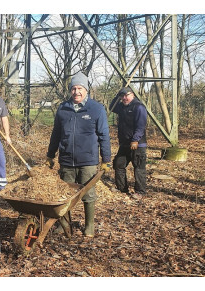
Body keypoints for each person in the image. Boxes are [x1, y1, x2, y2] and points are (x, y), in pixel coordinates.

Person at [46, 71, 111, 237]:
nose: (77, 92)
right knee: (65, 195)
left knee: (88, 195)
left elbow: (104, 135)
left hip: (88, 160)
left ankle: (89, 225)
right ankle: (64, 224)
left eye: (80, 88)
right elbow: (56, 134)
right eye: (74, 88)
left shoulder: (96, 109)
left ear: (86, 90)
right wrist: (50, 155)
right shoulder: (63, 108)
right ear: (70, 90)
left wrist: (106, 159)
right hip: (66, 159)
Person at [109, 87, 147, 200]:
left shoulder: (138, 107)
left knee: (139, 167)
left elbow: (141, 125)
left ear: (133, 95)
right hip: (124, 144)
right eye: (122, 96)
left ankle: (140, 191)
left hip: (137, 144)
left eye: (127, 95)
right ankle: (122, 188)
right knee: (119, 165)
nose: (124, 98)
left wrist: (135, 139)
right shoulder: (121, 106)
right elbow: (112, 107)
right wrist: (117, 96)